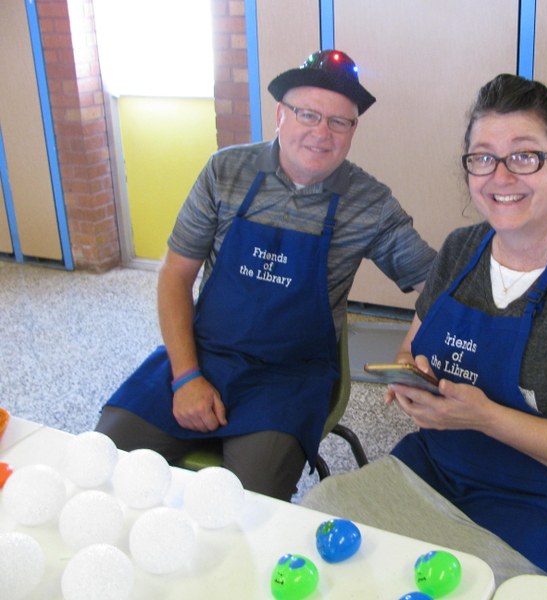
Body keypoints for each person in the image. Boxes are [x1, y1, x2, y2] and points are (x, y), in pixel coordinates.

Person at [302, 74, 547, 586]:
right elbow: (413, 350)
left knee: (458, 588)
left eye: (524, 156)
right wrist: (413, 381)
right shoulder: (461, 250)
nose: (500, 176)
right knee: (320, 513)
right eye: (482, 157)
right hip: (444, 469)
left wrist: (486, 418)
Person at [95, 49, 436, 501]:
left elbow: (443, 283)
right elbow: (174, 276)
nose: (322, 133)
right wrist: (185, 378)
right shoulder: (226, 172)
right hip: (204, 353)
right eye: (308, 114)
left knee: (249, 502)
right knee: (104, 462)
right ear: (280, 114)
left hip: (290, 377)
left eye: (340, 122)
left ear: (354, 130)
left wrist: (413, 348)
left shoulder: (369, 203)